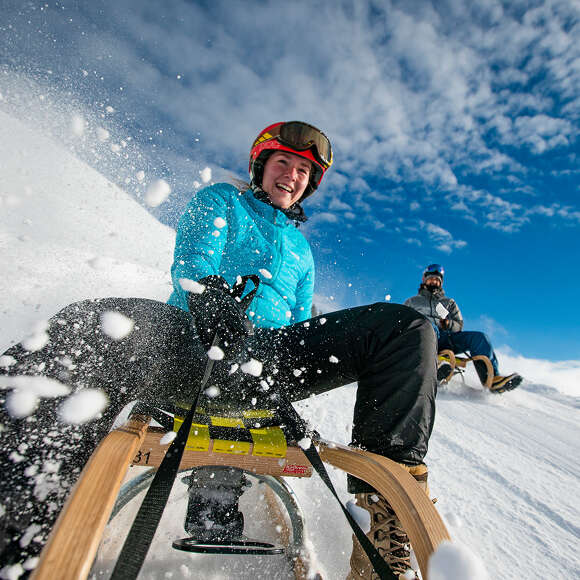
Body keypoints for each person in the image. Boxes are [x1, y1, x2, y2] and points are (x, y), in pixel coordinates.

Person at [0, 121, 437, 579]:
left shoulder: (301, 251)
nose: (291, 175)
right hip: (189, 348)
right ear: (260, 166)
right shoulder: (221, 201)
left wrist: (281, 383)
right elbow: (192, 259)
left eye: (303, 171)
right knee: (98, 322)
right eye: (282, 162)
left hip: (266, 365)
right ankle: (19, 522)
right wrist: (210, 296)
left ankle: (385, 525)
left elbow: (297, 321)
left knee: (406, 327)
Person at [404, 264, 522, 393]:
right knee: (429, 327)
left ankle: (492, 380)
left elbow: (459, 325)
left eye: (437, 280)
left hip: (446, 339)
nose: (434, 281)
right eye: (431, 279)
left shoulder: (449, 302)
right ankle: (435, 370)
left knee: (479, 338)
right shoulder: (412, 302)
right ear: (424, 280)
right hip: (423, 338)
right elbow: (404, 322)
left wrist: (448, 324)